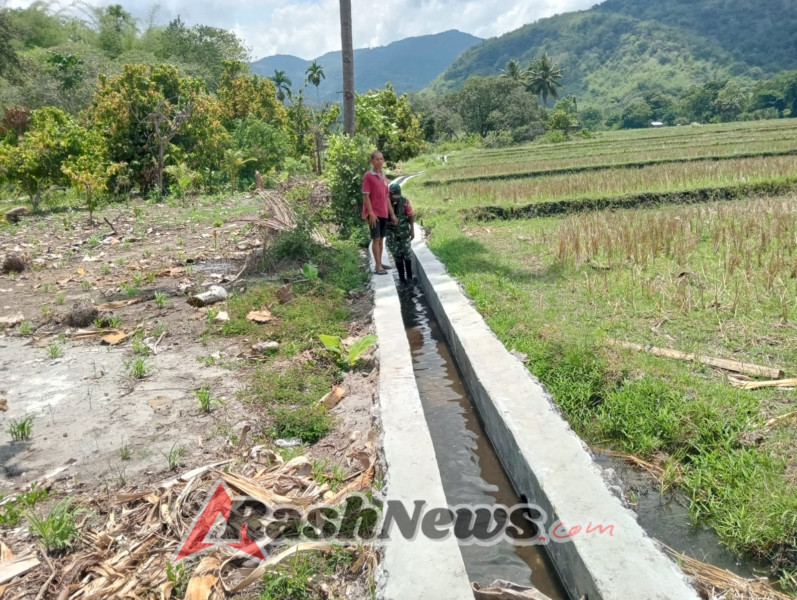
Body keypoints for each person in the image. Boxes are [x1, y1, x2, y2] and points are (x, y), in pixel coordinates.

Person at [362, 150, 397, 275]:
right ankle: (377, 266)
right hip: (374, 214)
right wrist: (370, 213)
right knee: (375, 238)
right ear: (372, 161)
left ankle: (380, 263)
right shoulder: (368, 176)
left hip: (383, 213)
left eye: (381, 159)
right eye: (377, 159)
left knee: (381, 239)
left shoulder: (383, 177)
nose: (380, 161)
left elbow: (387, 196)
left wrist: (392, 214)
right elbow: (366, 196)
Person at [386, 181, 415, 284]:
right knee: (397, 256)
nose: (396, 198)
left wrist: (412, 229)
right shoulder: (385, 202)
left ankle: (410, 278)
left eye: (397, 196)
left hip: (404, 234)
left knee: (407, 255)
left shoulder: (404, 201)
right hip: (392, 236)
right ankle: (402, 279)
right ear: (389, 193)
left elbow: (410, 215)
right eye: (394, 196)